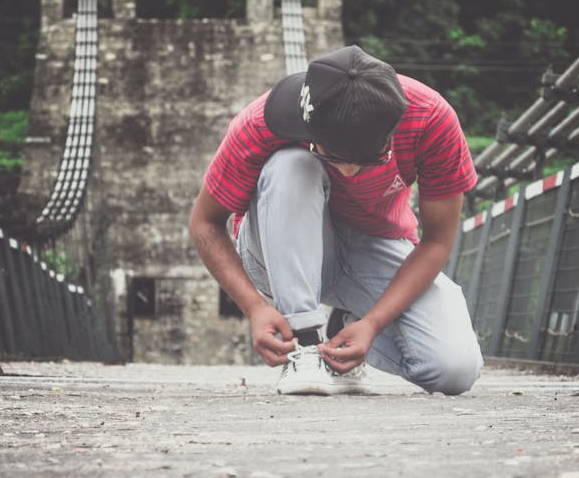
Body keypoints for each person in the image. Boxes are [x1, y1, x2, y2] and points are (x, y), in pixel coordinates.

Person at [189, 44, 483, 395]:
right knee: (291, 166)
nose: (347, 171)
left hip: (373, 244)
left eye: (365, 161)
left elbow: (436, 240)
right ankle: (306, 344)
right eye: (332, 155)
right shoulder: (261, 123)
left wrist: (373, 324)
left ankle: (343, 327)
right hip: (279, 248)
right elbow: (205, 223)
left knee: (454, 369)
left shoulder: (430, 119)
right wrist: (254, 308)